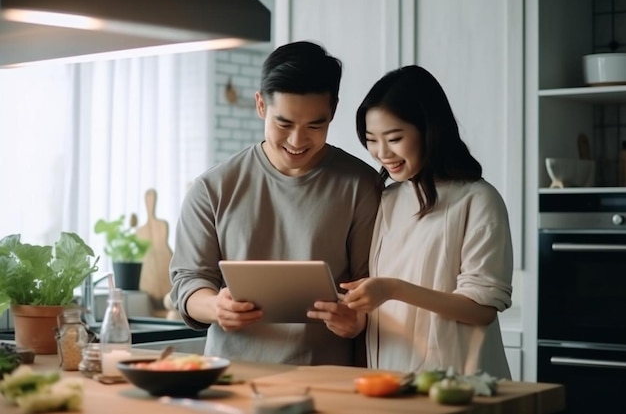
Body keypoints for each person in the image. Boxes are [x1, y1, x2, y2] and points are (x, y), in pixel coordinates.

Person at [169, 41, 381, 366]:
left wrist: (358, 319)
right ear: (260, 106)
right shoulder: (212, 188)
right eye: (284, 124)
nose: (297, 141)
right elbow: (189, 281)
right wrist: (216, 307)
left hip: (328, 380)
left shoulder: (361, 185)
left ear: (333, 111)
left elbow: (371, 285)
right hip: (231, 376)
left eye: (315, 125)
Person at [341, 65, 514, 379]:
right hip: (392, 380)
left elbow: (481, 310)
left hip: (460, 384)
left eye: (394, 138)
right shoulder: (386, 199)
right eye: (371, 140)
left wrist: (393, 289)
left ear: (429, 130)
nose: (382, 153)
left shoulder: (477, 199)